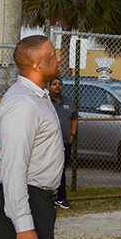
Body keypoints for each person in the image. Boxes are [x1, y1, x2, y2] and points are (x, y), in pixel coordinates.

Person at [0, 35, 64, 239]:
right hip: (25, 200)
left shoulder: (36, 96)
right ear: (38, 66)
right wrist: (24, 225)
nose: (59, 58)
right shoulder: (23, 103)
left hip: (36, 200)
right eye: (53, 55)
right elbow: (13, 168)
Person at [49, 77, 77, 209]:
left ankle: (61, 198)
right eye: (54, 84)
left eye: (60, 84)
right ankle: (47, 198)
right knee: (47, 169)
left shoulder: (69, 102)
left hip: (65, 142)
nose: (57, 86)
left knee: (61, 169)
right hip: (48, 143)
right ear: (49, 87)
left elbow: (74, 118)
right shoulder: (45, 102)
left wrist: (72, 135)